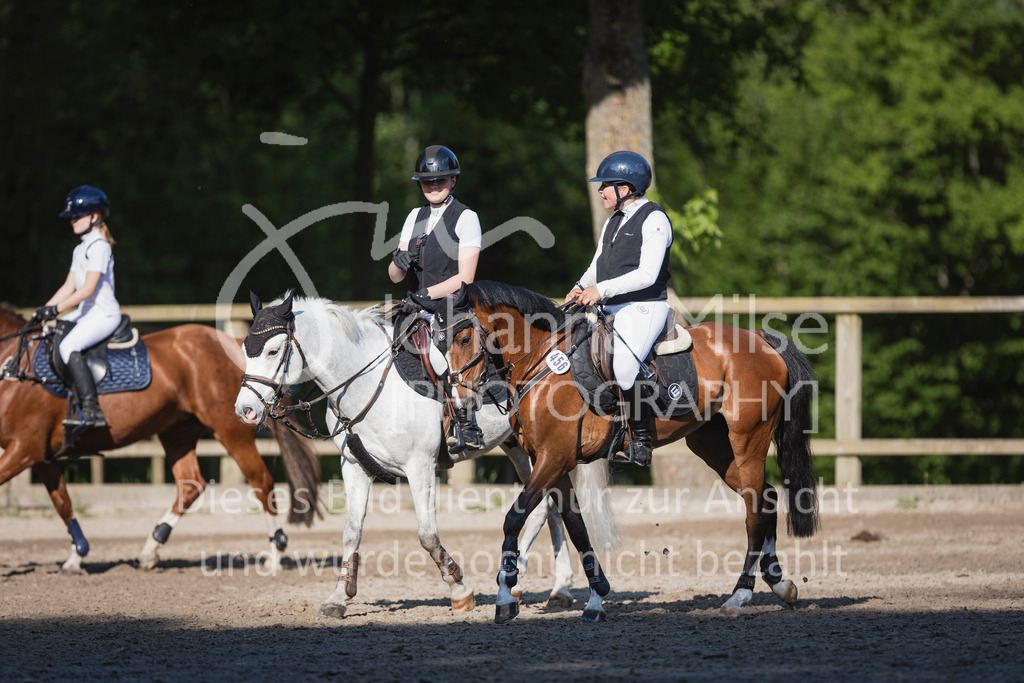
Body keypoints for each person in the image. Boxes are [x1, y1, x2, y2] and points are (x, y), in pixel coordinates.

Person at [566, 151, 673, 466]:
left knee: (624, 366)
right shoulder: (613, 221)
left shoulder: (654, 218)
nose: (600, 191)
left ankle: (641, 442)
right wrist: (579, 286)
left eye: (605, 186)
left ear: (625, 188)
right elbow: (596, 266)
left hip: (644, 307)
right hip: (611, 309)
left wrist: (599, 290)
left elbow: (646, 275)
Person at [388, 145, 484, 453]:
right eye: (427, 182)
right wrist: (397, 263)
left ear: (453, 181)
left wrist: (426, 294)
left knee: (446, 358)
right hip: (415, 305)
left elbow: (465, 277)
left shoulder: (466, 217)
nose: (432, 186)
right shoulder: (414, 216)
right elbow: (394, 276)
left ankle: (468, 424)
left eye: (440, 180)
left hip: (452, 307)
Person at [31, 185, 121, 428]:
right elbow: (69, 286)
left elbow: (88, 289)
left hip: (104, 314)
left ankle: (92, 409)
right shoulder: (80, 248)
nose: (72, 220)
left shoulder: (100, 246)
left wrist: (57, 309)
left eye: (78, 216)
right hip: (87, 312)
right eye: (71, 216)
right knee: (52, 333)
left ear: (95, 216)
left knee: (69, 345)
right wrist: (43, 310)